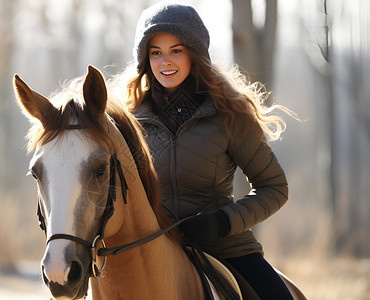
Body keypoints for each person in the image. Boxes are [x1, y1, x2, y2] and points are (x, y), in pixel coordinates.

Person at [116, 2, 296, 299]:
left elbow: (274, 188)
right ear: (144, 60)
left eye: (176, 50)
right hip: (147, 250)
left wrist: (221, 222)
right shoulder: (127, 123)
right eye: (155, 52)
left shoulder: (230, 114)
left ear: (195, 54)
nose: (165, 62)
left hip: (226, 248)